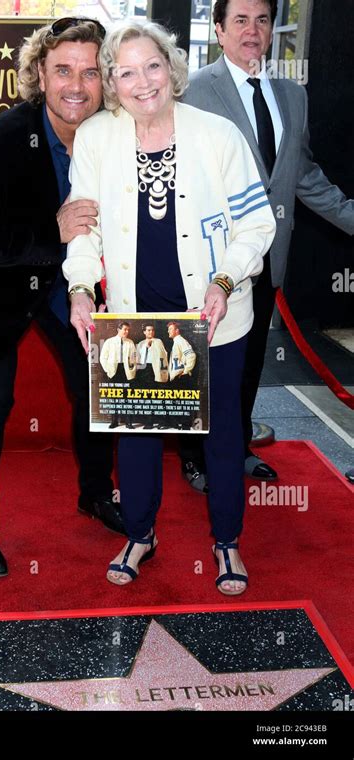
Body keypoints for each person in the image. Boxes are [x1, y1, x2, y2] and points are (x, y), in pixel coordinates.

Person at [64, 20, 276, 594]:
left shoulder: (219, 134)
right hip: (132, 317)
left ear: (172, 67)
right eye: (126, 71)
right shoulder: (95, 138)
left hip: (215, 316)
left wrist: (226, 280)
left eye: (152, 66)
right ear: (111, 80)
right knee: (133, 434)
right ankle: (140, 533)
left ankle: (227, 542)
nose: (142, 82)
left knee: (222, 434)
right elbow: (83, 230)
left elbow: (257, 223)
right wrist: (81, 287)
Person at [0, 18, 125, 579]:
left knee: (97, 386)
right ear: (40, 74)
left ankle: (96, 493)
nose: (77, 84)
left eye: (91, 71)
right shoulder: (0, 141)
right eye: (63, 69)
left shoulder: (114, 134)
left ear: (107, 79)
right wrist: (53, 232)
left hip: (72, 283)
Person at [182, 0, 354, 489]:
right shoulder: (191, 92)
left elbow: (304, 177)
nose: (252, 31)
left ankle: (234, 449)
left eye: (262, 20)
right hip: (209, 263)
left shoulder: (291, 95)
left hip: (266, 261)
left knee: (249, 363)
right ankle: (195, 458)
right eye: (240, 20)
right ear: (219, 29)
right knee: (204, 366)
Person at [100, 321, 137, 429]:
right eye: (124, 329)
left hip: (126, 372)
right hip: (114, 371)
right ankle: (114, 421)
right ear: (118, 329)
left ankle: (128, 422)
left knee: (127, 398)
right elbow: (103, 357)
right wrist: (108, 370)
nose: (126, 331)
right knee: (114, 397)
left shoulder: (130, 342)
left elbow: (134, 358)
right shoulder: (109, 342)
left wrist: (132, 370)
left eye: (128, 330)